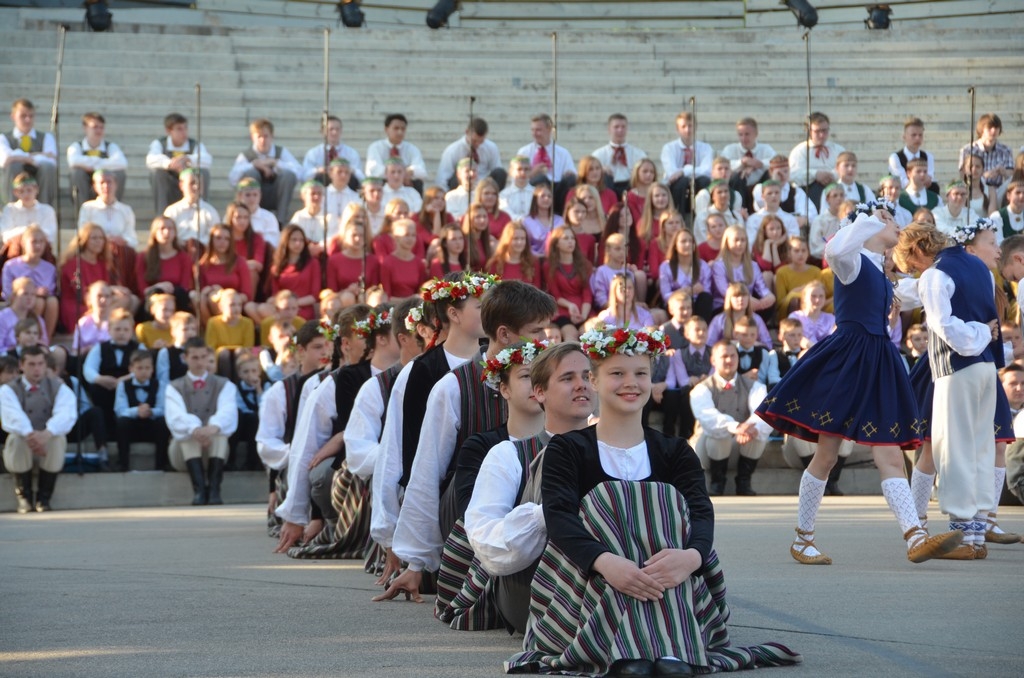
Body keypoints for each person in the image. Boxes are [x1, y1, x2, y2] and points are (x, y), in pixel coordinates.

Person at [507, 327, 800, 676]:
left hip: (670, 580)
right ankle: (644, 646)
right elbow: (560, 518)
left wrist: (690, 557)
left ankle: (662, 646)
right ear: (595, 381)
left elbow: (701, 513)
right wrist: (606, 562)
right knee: (606, 500)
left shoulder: (675, 451)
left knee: (667, 504)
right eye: (617, 373)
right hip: (589, 586)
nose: (631, 382)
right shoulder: (568, 449)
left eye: (641, 374)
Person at [757, 202, 963, 565]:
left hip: (879, 360)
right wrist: (868, 218)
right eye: (889, 219)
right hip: (849, 359)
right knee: (827, 454)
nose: (896, 226)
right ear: (866, 226)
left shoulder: (883, 274)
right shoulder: (850, 262)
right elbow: (834, 248)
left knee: (888, 453)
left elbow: (923, 290)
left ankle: (915, 537)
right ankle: (803, 538)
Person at [379, 280, 555, 602]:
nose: (546, 339)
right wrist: (417, 561)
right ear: (504, 334)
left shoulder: (552, 379)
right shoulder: (453, 386)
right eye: (537, 331)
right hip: (466, 511)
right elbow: (426, 471)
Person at [370, 273, 498, 595]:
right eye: (481, 306)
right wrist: (392, 536)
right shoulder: (420, 371)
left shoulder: (498, 366)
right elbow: (396, 452)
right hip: (441, 494)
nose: (490, 312)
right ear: (453, 314)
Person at [463, 342, 595, 633]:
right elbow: (486, 544)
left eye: (587, 376)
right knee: (554, 457)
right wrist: (548, 515)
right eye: (567, 378)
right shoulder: (508, 454)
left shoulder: (617, 449)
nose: (581, 385)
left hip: (610, 583)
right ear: (540, 393)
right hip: (532, 591)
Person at [893, 220, 1005, 559]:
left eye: (910, 262)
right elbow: (911, 290)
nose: (913, 269)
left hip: (956, 370)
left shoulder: (935, 275)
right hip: (986, 369)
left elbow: (942, 325)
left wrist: (979, 334)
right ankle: (978, 532)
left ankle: (963, 538)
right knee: (980, 448)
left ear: (917, 251)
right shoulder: (977, 265)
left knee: (952, 450)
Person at [274, 304, 376, 554]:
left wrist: (344, 436)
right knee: (320, 473)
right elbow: (306, 447)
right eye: (365, 337)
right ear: (346, 344)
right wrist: (298, 514)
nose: (374, 344)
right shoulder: (328, 384)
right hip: (344, 470)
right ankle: (333, 522)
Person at [256, 320, 332, 533]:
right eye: (317, 347)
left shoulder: (339, 380)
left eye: (328, 345)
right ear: (300, 350)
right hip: (293, 463)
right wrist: (299, 452)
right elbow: (267, 443)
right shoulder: (281, 390)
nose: (324, 352)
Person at [690, 340, 771, 496]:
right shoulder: (701, 389)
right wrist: (735, 427)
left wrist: (748, 427)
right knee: (719, 433)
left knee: (759, 430)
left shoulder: (754, 386)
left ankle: (743, 481)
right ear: (713, 360)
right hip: (707, 451)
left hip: (739, 447)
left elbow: (763, 413)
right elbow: (709, 417)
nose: (729, 360)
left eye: (733, 356)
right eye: (724, 356)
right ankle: (717, 481)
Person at [2, 346, 76, 513]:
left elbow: (65, 414)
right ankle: (24, 497)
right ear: (22, 365)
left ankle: (44, 497)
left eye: (40, 364)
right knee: (15, 438)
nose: (37, 369)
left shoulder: (58, 388)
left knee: (58, 439)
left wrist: (47, 433)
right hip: (26, 441)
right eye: (31, 364)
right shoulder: (9, 389)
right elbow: (12, 416)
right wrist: (30, 435)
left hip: (46, 441)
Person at [165, 338, 239, 505]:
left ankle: (214, 489)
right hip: (183, 456)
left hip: (214, 450)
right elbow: (176, 417)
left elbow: (227, 412)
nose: (200, 362)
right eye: (195, 358)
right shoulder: (174, 387)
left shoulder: (224, 384)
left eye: (203, 357)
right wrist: (196, 429)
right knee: (187, 434)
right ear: (185, 358)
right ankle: (199, 490)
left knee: (220, 434)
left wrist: (212, 427)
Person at [228, 118, 302, 224]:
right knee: (250, 174)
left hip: (276, 195)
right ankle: (250, 215)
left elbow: (299, 172)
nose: (263, 140)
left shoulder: (280, 152)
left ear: (272, 137)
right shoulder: (246, 155)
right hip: (254, 196)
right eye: (259, 136)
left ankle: (280, 221)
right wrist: (254, 165)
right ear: (252, 137)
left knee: (288, 175)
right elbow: (232, 179)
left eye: (266, 136)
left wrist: (276, 163)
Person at [83, 307, 138, 437]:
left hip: (129, 385)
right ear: (109, 330)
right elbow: (88, 369)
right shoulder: (99, 348)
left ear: (132, 331)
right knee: (96, 389)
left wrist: (125, 379)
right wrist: (99, 379)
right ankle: (106, 431)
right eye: (117, 329)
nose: (122, 333)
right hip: (106, 386)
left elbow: (145, 368)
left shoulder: (138, 348)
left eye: (126, 330)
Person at [113, 349, 168, 472]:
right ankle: (123, 464)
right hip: (132, 427)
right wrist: (136, 411)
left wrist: (151, 412)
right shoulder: (123, 385)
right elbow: (119, 410)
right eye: (139, 368)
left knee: (163, 422)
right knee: (122, 422)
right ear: (131, 369)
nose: (144, 371)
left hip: (151, 426)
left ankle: (161, 464)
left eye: (147, 368)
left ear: (152, 369)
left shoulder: (160, 385)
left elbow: (163, 408)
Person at [145, 112, 212, 214]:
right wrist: (170, 163)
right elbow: (150, 159)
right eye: (179, 129)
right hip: (169, 180)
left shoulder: (194, 145)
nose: (184, 132)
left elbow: (207, 159)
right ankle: (162, 215)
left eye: (185, 128)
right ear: (169, 131)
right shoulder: (159, 143)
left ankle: (201, 211)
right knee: (157, 173)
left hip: (190, 179)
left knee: (203, 173)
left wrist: (188, 159)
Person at [2, 225, 57, 338]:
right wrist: (33, 292)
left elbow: (50, 290)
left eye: (41, 242)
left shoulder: (50, 268)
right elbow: (8, 292)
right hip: (17, 302)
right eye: (34, 242)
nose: (38, 246)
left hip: (43, 302)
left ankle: (45, 340)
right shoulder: (10, 265)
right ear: (24, 244)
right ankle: (26, 337)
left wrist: (41, 294)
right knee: (37, 302)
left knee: (52, 302)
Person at [516, 113, 576, 213]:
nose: (535, 133)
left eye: (538, 130)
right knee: (541, 178)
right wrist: (533, 173)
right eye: (532, 130)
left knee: (570, 179)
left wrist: (569, 174)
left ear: (549, 129)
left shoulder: (562, 152)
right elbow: (516, 179)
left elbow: (572, 174)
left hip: (557, 189)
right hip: (535, 188)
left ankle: (562, 213)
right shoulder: (524, 152)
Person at [1, 99, 57, 205]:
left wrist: (18, 156)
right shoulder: (3, 138)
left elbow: (51, 160)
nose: (27, 120)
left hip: (39, 176)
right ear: (13, 116)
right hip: (13, 174)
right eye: (23, 116)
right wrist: (33, 156)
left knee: (47, 167)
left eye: (31, 116)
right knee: (13, 165)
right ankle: (12, 208)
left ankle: (44, 207)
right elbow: (5, 159)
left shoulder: (46, 137)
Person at [66, 112, 128, 208]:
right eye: (95, 127)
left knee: (120, 173)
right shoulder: (76, 146)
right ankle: (82, 211)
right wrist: (105, 163)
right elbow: (73, 161)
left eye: (101, 127)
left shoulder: (111, 146)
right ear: (85, 128)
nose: (99, 130)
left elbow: (122, 163)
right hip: (85, 185)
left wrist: (94, 166)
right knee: (76, 173)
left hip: (105, 184)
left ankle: (113, 207)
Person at [710, 225, 775, 315]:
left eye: (743, 240)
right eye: (736, 240)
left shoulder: (753, 265)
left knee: (769, 305)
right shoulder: (719, 265)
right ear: (727, 242)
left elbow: (761, 287)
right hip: (726, 305)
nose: (740, 244)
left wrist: (769, 296)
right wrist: (746, 299)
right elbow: (724, 290)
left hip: (749, 305)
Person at [135, 217, 194, 316]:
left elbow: (185, 285)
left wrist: (170, 291)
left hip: (176, 297)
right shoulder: (143, 257)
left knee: (181, 293)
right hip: (153, 298)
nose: (166, 232)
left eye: (170, 228)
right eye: (162, 228)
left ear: (175, 233)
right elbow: (141, 287)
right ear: (154, 233)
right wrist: (157, 287)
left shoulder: (183, 257)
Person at [660, 111, 712, 217]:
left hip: (697, 184)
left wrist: (684, 171)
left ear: (695, 128)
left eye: (690, 126)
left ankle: (701, 217)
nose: (687, 130)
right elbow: (672, 173)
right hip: (677, 186)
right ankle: (679, 217)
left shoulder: (706, 148)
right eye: (683, 126)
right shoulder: (669, 148)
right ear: (677, 129)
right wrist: (687, 173)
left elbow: (707, 170)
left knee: (704, 180)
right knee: (682, 181)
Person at [546, 226, 593, 342]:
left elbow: (587, 293)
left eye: (572, 238)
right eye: (566, 238)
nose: (570, 241)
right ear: (556, 243)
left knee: (591, 333)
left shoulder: (584, 264)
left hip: (584, 310)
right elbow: (555, 295)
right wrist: (570, 305)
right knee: (570, 335)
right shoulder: (549, 266)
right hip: (562, 312)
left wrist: (583, 315)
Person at [788, 111, 844, 207]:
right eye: (817, 131)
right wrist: (815, 174)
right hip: (809, 193)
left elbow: (846, 169)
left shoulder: (838, 149)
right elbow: (794, 174)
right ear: (809, 131)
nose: (822, 135)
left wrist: (832, 175)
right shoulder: (800, 151)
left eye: (825, 130)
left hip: (836, 192)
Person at [721, 117, 776, 210]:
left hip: (760, 184)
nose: (743, 138)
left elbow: (776, 163)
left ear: (756, 134)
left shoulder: (766, 149)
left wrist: (759, 164)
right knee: (736, 176)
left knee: (771, 173)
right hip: (739, 186)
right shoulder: (730, 149)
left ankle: (768, 208)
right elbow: (723, 166)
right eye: (740, 135)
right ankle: (739, 209)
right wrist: (743, 162)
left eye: (747, 134)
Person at [365, 113, 427, 193]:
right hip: (384, 184)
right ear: (386, 129)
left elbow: (422, 171)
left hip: (405, 184)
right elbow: (372, 170)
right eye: (396, 128)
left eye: (403, 129)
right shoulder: (376, 147)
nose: (400, 132)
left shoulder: (412, 149)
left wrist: (408, 172)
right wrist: (396, 174)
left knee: (417, 183)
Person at [436, 117, 503, 190]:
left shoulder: (491, 147)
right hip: (462, 184)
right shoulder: (453, 150)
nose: (477, 144)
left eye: (481, 141)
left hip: (483, 184)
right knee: (454, 179)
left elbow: (496, 167)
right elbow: (443, 177)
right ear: (467, 132)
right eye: (474, 141)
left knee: (500, 173)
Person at [958, 113, 1014, 199]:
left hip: (998, 189)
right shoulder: (968, 150)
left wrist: (1004, 172)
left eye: (996, 128)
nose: (993, 131)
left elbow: (1011, 175)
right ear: (981, 130)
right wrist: (983, 176)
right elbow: (963, 176)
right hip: (976, 188)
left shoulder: (1006, 150)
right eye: (990, 128)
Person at [591, 113, 648, 197]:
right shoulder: (598, 154)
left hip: (630, 186)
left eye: (623, 127)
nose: (620, 130)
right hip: (608, 186)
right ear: (609, 129)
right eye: (616, 127)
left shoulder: (638, 154)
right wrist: (600, 169)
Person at [76, 169, 137, 249]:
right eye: (101, 183)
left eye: (109, 182)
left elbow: (132, 238)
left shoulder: (126, 210)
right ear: (95, 186)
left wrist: (124, 240)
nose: (106, 186)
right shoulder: (87, 208)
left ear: (116, 185)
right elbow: (82, 233)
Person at [301, 114, 364, 186]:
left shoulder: (351, 153)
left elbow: (361, 177)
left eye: (337, 129)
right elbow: (304, 176)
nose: (335, 132)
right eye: (331, 129)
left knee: (350, 177)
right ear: (322, 131)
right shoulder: (313, 153)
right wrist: (318, 170)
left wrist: (349, 170)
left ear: (341, 130)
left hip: (346, 187)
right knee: (320, 177)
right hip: (322, 187)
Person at [163, 168, 220, 245]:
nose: (196, 187)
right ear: (181, 185)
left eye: (199, 183)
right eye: (192, 183)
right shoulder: (171, 211)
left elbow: (216, 237)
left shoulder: (210, 212)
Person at [0, 173, 57, 248]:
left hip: (39, 249)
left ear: (36, 189)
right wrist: (29, 230)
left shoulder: (47, 210)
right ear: (15, 192)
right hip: (16, 248)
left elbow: (50, 236)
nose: (26, 194)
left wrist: (25, 233)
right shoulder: (9, 209)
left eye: (29, 190)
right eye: (21, 191)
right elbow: (5, 235)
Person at [774, 236, 822, 320]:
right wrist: (793, 292)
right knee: (796, 299)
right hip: (789, 312)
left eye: (803, 251)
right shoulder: (782, 272)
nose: (800, 254)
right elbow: (780, 303)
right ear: (789, 253)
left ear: (808, 253)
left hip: (812, 308)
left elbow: (820, 296)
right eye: (796, 251)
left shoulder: (816, 271)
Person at [0, 275, 49, 353]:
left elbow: (44, 344)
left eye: (33, 294)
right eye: (25, 294)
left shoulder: (38, 319)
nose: (29, 298)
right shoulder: (2, 318)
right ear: (14, 296)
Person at [888, 116, 939, 191]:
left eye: (920, 135)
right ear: (904, 137)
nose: (917, 138)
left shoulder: (928, 157)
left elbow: (929, 180)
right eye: (913, 135)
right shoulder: (895, 158)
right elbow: (903, 183)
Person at [486, 221, 541, 287]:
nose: (519, 242)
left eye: (522, 238)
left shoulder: (533, 263)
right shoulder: (494, 264)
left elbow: (537, 291)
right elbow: (490, 291)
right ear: (507, 240)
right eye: (515, 238)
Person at [235, 177, 282, 248]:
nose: (252, 199)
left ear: (260, 196)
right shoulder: (232, 215)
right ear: (239, 196)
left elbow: (274, 242)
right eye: (247, 195)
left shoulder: (269, 217)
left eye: (255, 195)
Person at [521, 183, 563, 258]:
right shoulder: (526, 221)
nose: (546, 198)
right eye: (542, 196)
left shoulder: (560, 221)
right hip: (534, 260)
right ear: (535, 199)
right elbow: (525, 245)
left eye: (549, 196)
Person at [788, 280, 834, 344]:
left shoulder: (831, 318)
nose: (817, 300)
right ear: (804, 298)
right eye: (813, 296)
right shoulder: (795, 317)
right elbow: (795, 338)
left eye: (821, 296)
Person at [498, 156, 533, 222]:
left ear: (530, 171)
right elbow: (506, 212)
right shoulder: (503, 195)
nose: (523, 173)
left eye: (526, 169)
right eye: (519, 169)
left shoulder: (536, 193)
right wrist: (522, 220)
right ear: (511, 172)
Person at [992, 179, 1024, 244]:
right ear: (1008, 195)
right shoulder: (997, 217)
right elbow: (998, 243)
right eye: (1017, 193)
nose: (1022, 196)